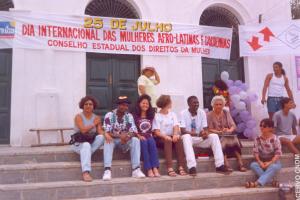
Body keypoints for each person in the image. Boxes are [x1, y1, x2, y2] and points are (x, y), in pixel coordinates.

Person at [180, 96, 230, 176]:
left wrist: (205, 133)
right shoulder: (183, 113)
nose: (196, 104)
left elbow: (205, 128)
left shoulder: (202, 112)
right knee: (186, 137)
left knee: (214, 136)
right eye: (194, 103)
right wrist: (197, 134)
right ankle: (192, 167)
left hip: (200, 138)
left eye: (197, 102)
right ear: (188, 104)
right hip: (189, 139)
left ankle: (219, 165)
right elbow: (183, 131)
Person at [102, 96, 145, 181]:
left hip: (125, 141)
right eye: (122, 105)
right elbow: (107, 131)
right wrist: (120, 136)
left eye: (126, 105)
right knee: (108, 140)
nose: (124, 107)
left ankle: (136, 169)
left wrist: (127, 136)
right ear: (118, 105)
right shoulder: (109, 115)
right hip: (113, 140)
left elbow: (133, 131)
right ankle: (107, 170)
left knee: (135, 140)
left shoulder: (129, 116)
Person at [207, 96, 247, 172]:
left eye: (220, 104)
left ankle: (240, 163)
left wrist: (229, 130)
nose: (218, 106)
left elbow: (233, 125)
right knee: (223, 139)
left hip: (227, 134)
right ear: (213, 105)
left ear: (223, 105)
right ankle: (226, 163)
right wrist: (219, 132)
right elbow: (208, 129)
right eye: (216, 104)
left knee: (234, 138)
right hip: (216, 135)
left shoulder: (226, 112)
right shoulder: (209, 115)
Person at [153, 95, 187, 177]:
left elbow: (176, 126)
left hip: (171, 137)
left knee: (179, 139)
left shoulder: (172, 114)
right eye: (170, 101)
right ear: (166, 103)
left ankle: (181, 167)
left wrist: (175, 134)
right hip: (160, 138)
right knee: (168, 140)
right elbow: (156, 132)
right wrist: (165, 137)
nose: (171, 103)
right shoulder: (157, 116)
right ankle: (169, 168)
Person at [72, 96, 105, 182]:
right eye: (86, 104)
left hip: (90, 142)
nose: (88, 106)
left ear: (93, 106)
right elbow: (83, 130)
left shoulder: (97, 117)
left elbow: (100, 132)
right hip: (79, 143)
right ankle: (86, 172)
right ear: (82, 106)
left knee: (102, 137)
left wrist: (108, 135)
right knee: (86, 145)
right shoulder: (78, 117)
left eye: (90, 104)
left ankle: (86, 155)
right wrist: (94, 124)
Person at [246, 118, 282, 188]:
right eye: (260, 125)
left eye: (264, 126)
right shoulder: (257, 138)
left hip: (273, 161)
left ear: (270, 128)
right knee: (253, 165)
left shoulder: (275, 139)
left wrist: (270, 162)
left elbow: (278, 153)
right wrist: (260, 162)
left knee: (274, 167)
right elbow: (255, 152)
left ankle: (257, 183)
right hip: (262, 160)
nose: (261, 127)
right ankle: (271, 182)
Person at [133, 94, 160, 177]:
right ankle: (148, 169)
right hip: (139, 135)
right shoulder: (134, 115)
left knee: (152, 142)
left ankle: (155, 168)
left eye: (147, 104)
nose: (145, 105)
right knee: (144, 143)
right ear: (139, 104)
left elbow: (155, 127)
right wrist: (138, 136)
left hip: (149, 135)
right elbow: (132, 128)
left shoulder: (151, 115)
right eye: (143, 103)